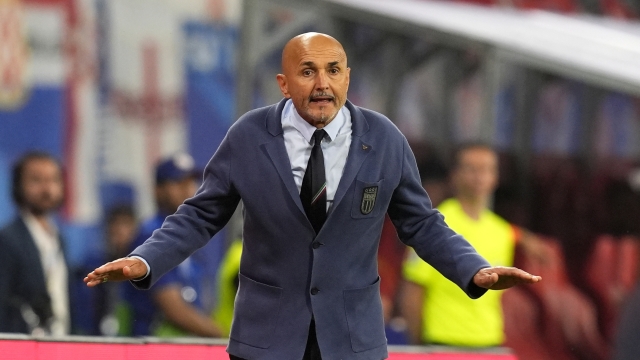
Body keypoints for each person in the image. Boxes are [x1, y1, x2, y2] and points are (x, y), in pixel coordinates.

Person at [85, 33, 540, 360]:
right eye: (308, 71)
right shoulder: (248, 135)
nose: (322, 83)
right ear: (284, 83)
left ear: (347, 77)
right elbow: (200, 215)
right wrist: (144, 260)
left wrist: (474, 269)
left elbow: (421, 223)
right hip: (266, 340)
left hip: (352, 341)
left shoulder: (383, 138)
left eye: (333, 70)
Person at [400, 142, 546, 347]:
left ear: (496, 177)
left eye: (487, 169)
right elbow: (413, 292)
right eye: (471, 169)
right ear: (455, 175)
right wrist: (418, 346)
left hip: (489, 342)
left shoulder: (502, 231)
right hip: (443, 342)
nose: (479, 177)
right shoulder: (435, 226)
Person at [123, 153, 223, 337]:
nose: (188, 190)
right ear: (157, 190)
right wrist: (223, 337)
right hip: (152, 349)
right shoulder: (151, 235)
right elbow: (174, 310)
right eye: (178, 183)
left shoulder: (190, 236)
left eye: (190, 182)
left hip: (185, 348)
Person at [0, 151, 71, 335]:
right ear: (18, 185)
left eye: (53, 180)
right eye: (36, 180)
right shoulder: (8, 240)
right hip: (21, 346)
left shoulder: (58, 239)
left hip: (61, 343)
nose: (47, 189)